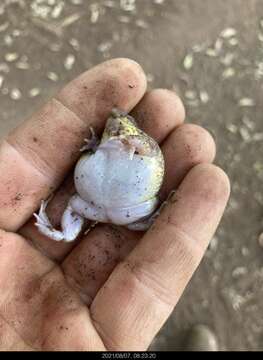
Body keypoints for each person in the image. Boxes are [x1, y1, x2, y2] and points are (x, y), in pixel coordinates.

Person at [0, 59, 230, 351]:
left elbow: (149, 152)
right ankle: (62, 233)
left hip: (124, 204)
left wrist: (126, 142)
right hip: (104, 203)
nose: (117, 127)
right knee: (77, 204)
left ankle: (73, 229)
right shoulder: (105, 143)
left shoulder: (137, 143)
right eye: (114, 127)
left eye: (121, 126)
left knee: (90, 205)